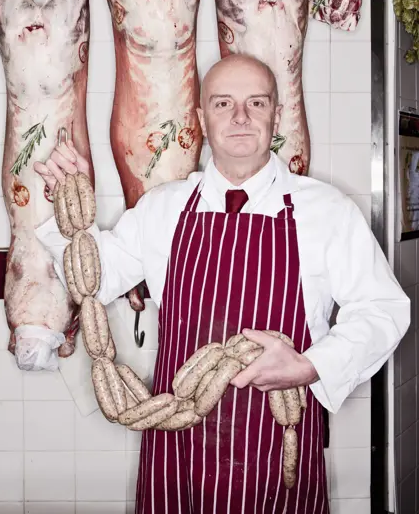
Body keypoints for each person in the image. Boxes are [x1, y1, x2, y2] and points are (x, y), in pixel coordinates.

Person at [34, 54, 409, 514]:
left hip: (275, 444)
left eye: (256, 102)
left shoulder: (327, 211)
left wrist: (312, 366)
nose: (240, 117)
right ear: (200, 118)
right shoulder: (163, 208)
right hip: (178, 446)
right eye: (222, 103)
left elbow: (382, 308)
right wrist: (66, 209)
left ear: (277, 113)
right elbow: (100, 277)